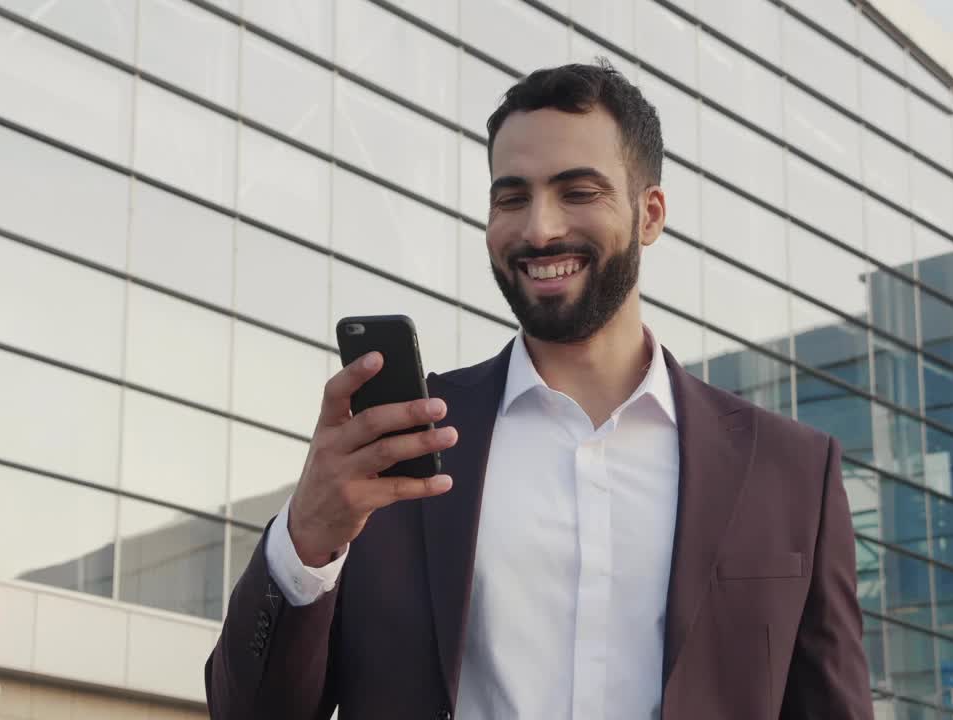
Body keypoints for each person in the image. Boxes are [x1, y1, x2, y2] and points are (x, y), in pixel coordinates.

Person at [205, 61, 872, 719]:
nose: (538, 229)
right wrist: (306, 542)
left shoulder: (791, 473)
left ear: (651, 213)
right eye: (512, 196)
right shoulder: (397, 444)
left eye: (578, 192)